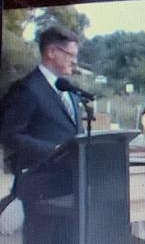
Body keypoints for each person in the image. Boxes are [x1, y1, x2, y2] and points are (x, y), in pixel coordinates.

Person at [0, 26, 83, 244]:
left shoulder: (69, 89)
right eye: (71, 55)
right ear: (52, 52)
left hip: (72, 184)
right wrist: (53, 150)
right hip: (40, 187)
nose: (74, 61)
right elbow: (8, 133)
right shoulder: (26, 89)